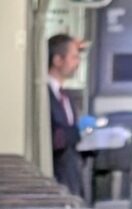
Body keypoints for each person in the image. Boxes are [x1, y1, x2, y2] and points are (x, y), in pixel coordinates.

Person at [47, 33, 90, 199]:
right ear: (58, 60)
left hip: (71, 176)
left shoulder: (65, 96)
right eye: (74, 57)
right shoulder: (43, 95)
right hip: (57, 178)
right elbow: (55, 137)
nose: (77, 63)